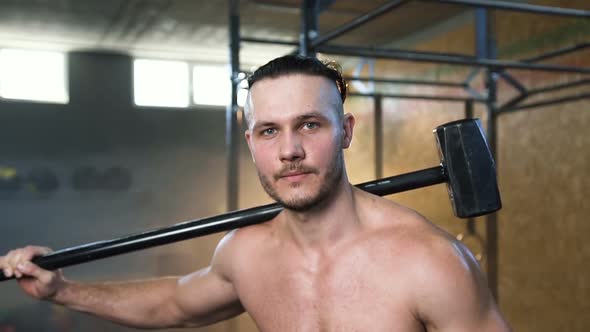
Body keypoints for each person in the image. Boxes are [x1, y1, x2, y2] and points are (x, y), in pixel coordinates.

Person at [0, 55, 511, 331]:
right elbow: (175, 304)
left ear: (347, 131)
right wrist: (62, 291)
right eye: (270, 131)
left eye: (309, 125)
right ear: (252, 143)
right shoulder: (245, 254)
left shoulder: (430, 262)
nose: (289, 150)